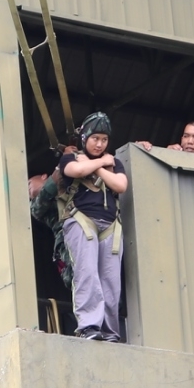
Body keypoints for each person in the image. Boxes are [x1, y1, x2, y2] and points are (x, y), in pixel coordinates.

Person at [52, 112, 127, 341]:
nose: (100, 144)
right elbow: (75, 171)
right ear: (85, 138)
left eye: (104, 140)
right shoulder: (71, 158)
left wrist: (97, 166)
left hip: (110, 225)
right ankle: (89, 326)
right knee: (87, 272)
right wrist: (102, 163)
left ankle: (110, 332)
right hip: (82, 220)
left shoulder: (114, 163)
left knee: (111, 281)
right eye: (95, 138)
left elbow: (121, 185)